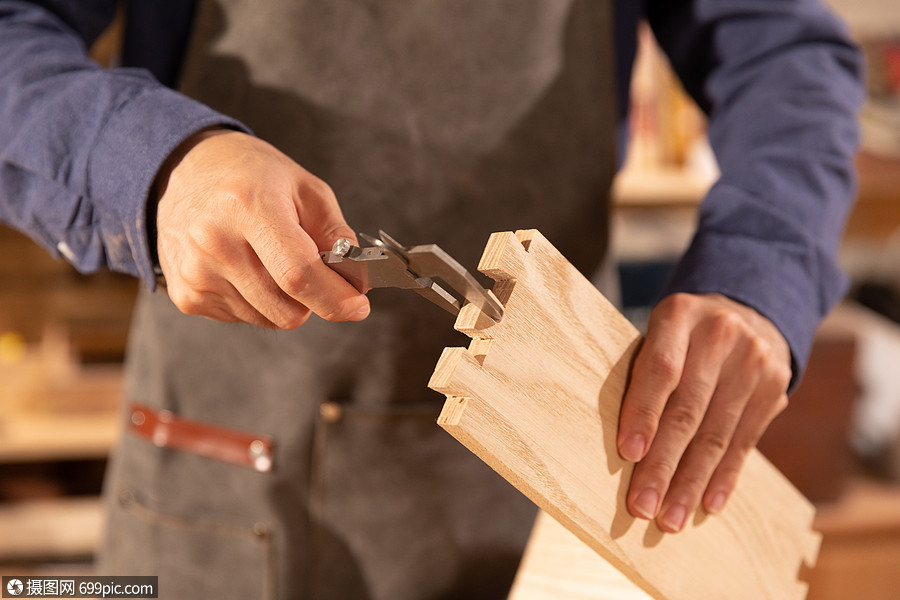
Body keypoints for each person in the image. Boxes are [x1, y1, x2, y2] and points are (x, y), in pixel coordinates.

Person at [0, 0, 863, 598]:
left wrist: (760, 269)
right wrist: (156, 167)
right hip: (224, 494)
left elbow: (785, 52)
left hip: (561, 493)